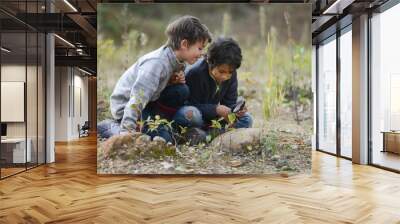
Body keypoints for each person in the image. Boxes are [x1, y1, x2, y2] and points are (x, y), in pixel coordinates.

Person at [98, 15, 212, 143]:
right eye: (200, 48)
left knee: (182, 90)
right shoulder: (156, 64)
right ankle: (110, 127)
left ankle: (163, 126)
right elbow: (137, 98)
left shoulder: (177, 61)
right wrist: (127, 133)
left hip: (150, 103)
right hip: (127, 107)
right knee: (165, 139)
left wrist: (170, 82)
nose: (201, 53)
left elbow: (155, 88)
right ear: (184, 44)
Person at [181, 37, 253, 136]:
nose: (225, 76)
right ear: (210, 62)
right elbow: (189, 105)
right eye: (221, 71)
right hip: (195, 115)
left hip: (213, 119)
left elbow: (229, 103)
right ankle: (209, 134)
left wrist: (236, 112)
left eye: (230, 72)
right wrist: (216, 109)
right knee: (194, 116)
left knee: (247, 119)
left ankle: (207, 135)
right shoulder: (195, 73)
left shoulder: (231, 74)